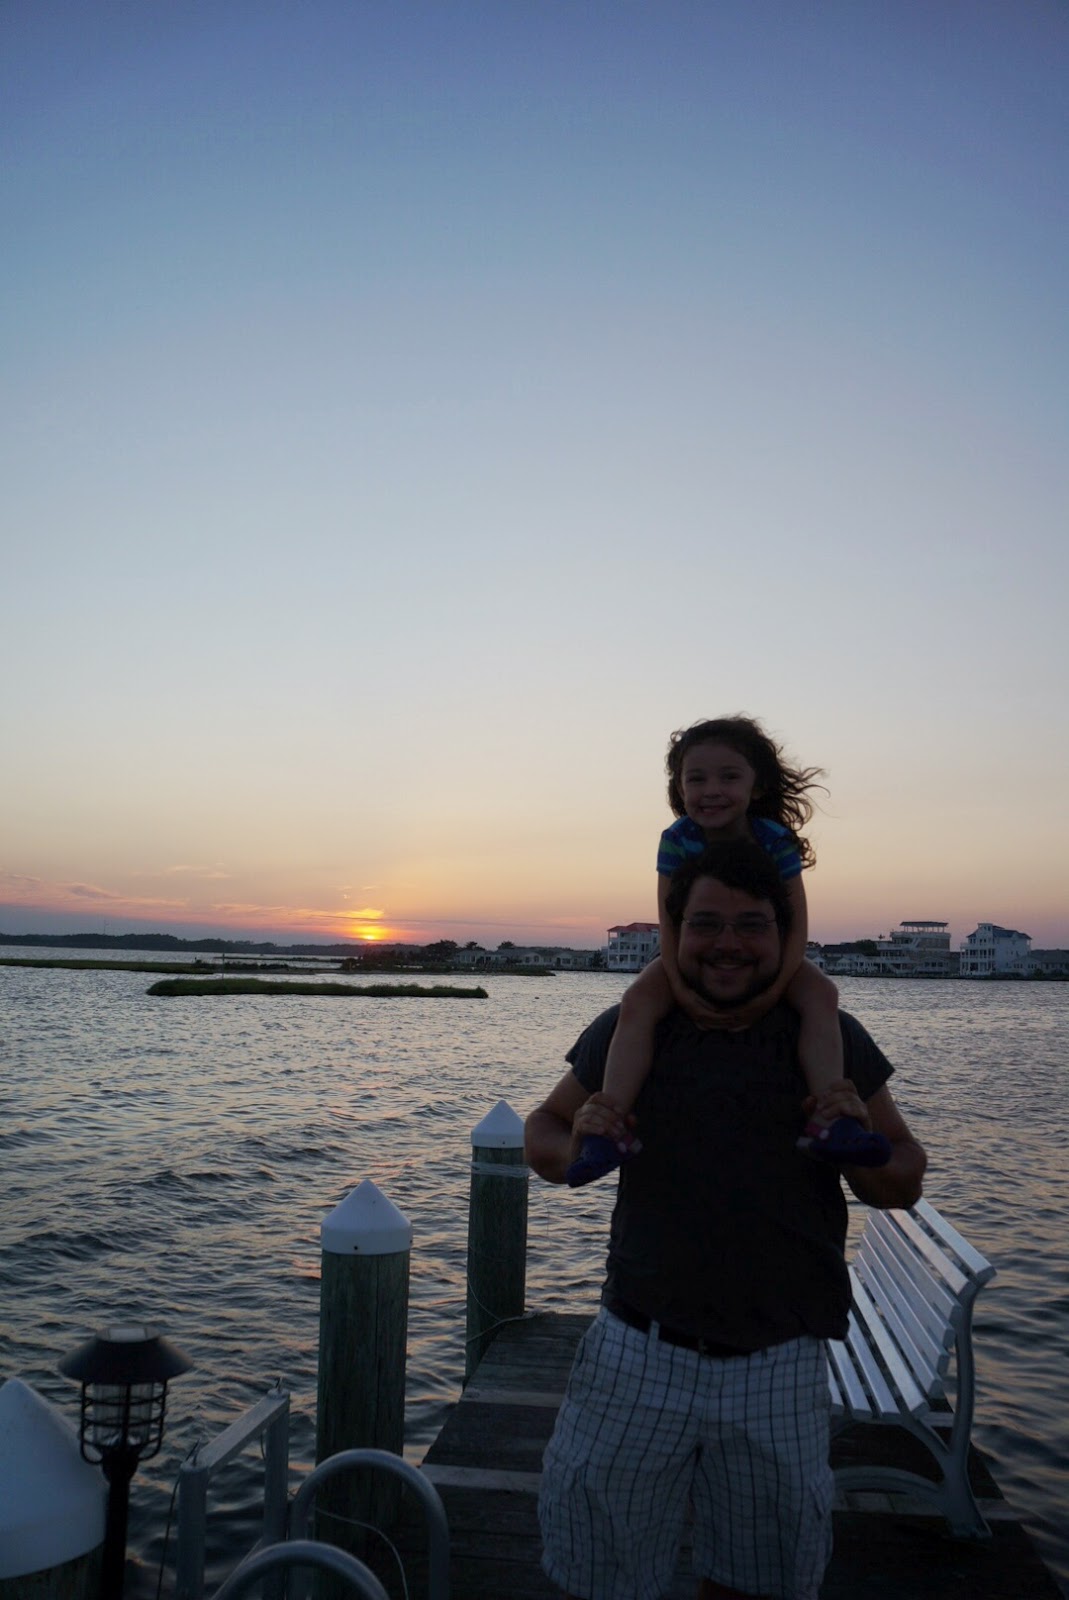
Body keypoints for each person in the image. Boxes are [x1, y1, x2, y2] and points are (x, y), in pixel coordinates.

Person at [527, 841, 927, 1600]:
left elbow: (903, 1180)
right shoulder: (631, 1030)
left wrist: (860, 1146)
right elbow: (541, 1131)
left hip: (780, 1364)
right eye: (706, 924)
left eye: (751, 925)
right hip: (636, 1353)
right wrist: (575, 1145)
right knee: (599, 1578)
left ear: (784, 934)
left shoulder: (829, 1040)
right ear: (674, 933)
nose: (728, 944)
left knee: (759, 1583)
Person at [567, 716, 890, 1186]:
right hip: (682, 955)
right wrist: (682, 990)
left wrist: (773, 990)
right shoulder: (676, 840)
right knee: (637, 1002)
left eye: (729, 777)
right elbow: (670, 924)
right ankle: (609, 1126)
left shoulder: (774, 840)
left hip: (776, 956)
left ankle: (831, 1117)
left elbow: (796, 926)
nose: (712, 790)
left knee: (822, 995)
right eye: (696, 779)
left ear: (756, 786)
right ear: (679, 789)